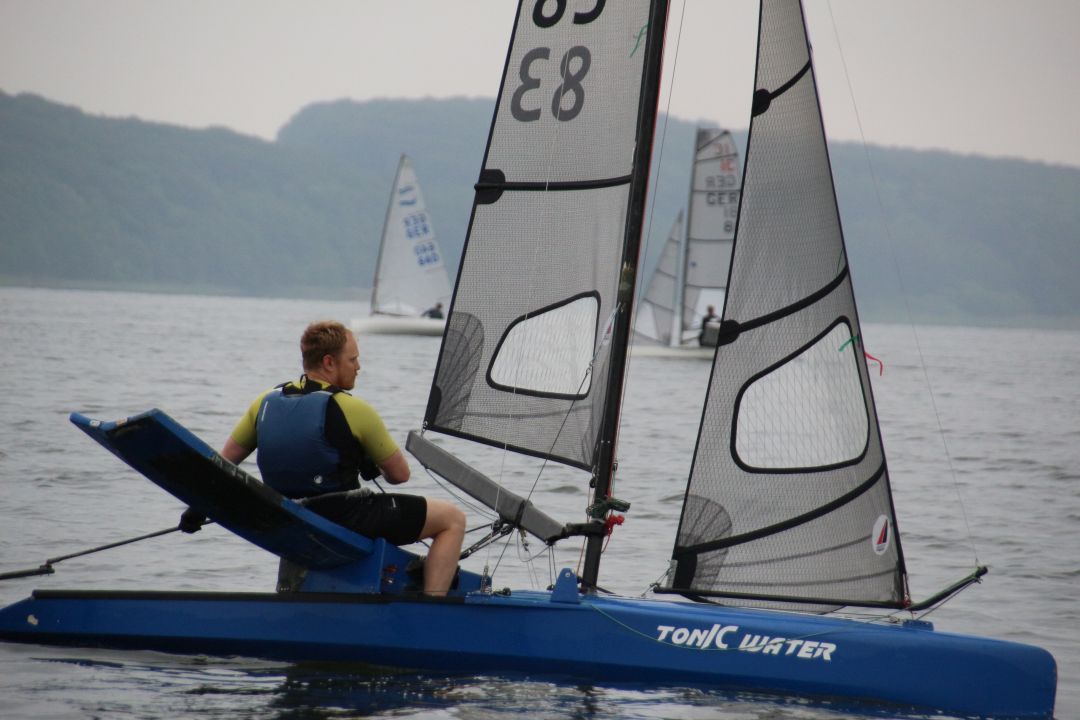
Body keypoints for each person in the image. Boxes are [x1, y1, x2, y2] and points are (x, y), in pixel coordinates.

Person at [180, 320, 465, 595]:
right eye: (353, 359)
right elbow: (400, 476)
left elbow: (220, 465)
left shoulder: (264, 403)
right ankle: (433, 604)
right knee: (452, 519)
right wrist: (370, 461)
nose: (358, 367)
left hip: (288, 518)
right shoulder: (354, 409)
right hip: (347, 516)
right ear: (329, 362)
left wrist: (197, 507)